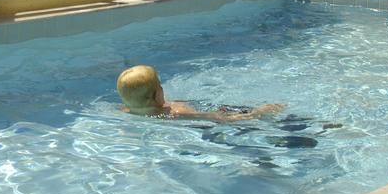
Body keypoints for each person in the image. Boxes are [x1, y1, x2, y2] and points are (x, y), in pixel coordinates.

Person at [115, 64, 284, 121]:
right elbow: (215, 117)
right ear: (158, 95)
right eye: (160, 86)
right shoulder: (177, 112)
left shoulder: (126, 109)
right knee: (244, 111)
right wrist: (256, 113)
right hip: (205, 115)